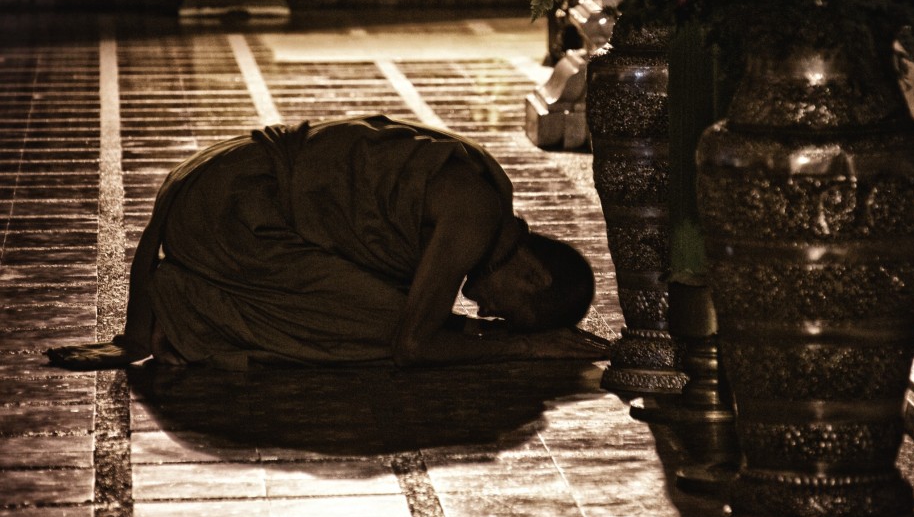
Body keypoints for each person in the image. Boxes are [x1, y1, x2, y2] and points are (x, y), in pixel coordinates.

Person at [46, 115, 601, 371]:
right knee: (386, 323)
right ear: (533, 275)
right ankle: (189, 309)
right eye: (508, 312)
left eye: (498, 319)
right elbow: (413, 345)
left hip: (213, 184)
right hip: (231, 214)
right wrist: (521, 347)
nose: (486, 307)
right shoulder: (476, 214)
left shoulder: (486, 190)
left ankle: (185, 293)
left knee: (384, 300)